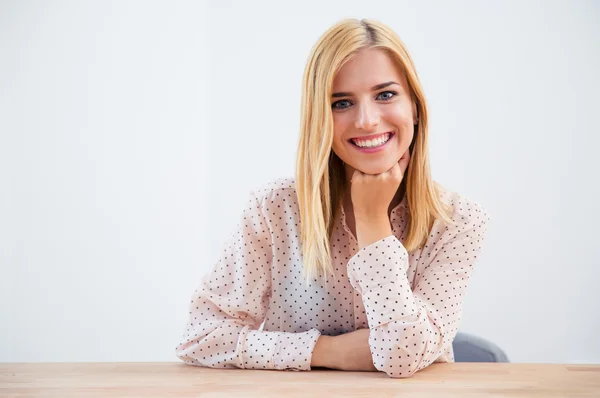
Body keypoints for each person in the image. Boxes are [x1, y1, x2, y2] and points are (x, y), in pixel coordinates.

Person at [175, 18, 490, 378]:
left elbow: (401, 357)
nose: (367, 121)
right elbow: (200, 337)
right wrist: (329, 351)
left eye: (385, 95)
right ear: (319, 117)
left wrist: (373, 223)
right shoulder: (273, 209)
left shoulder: (458, 221)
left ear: (415, 107)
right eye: (341, 103)